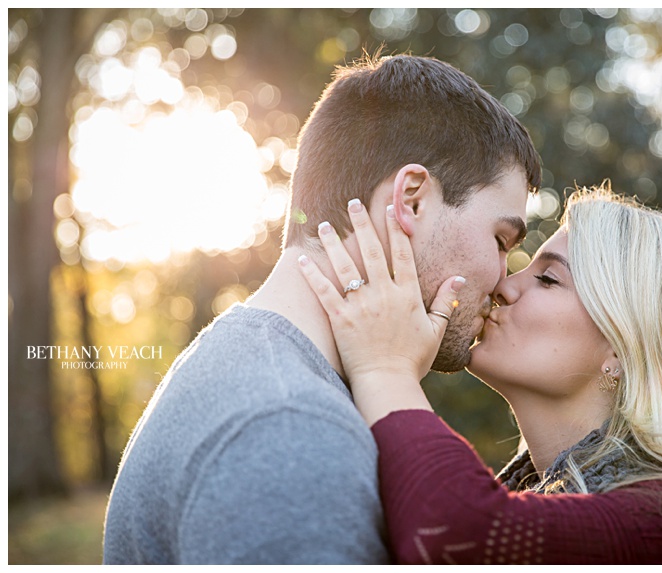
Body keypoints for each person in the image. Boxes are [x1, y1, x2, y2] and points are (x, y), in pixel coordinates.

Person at [102, 54, 541, 564]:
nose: (505, 280)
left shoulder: (248, 362)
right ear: (412, 201)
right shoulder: (290, 432)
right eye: (501, 239)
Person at [298, 183, 662, 565]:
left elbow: (457, 538)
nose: (505, 284)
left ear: (628, 347)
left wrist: (386, 367)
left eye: (549, 279)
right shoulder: (539, 494)